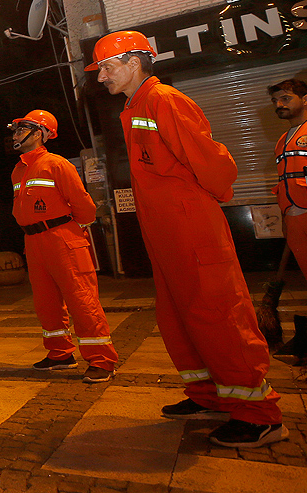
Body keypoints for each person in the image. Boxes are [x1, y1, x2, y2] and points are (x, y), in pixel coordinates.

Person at [91, 30, 285, 447]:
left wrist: (205, 201)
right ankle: (208, 394)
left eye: (107, 67)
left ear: (135, 62)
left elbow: (210, 161)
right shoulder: (135, 106)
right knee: (179, 315)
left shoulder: (163, 100)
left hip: (189, 224)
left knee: (218, 311)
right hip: (165, 230)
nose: (101, 76)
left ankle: (260, 415)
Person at [8, 110, 118, 383]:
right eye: (16, 129)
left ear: (42, 133)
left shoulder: (56, 164)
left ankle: (102, 360)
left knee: (81, 300)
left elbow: (85, 208)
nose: (16, 133)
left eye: (24, 128)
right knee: (46, 303)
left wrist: (68, 230)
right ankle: (60, 354)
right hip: (33, 241)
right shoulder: (18, 170)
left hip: (62, 238)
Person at [268, 79, 307, 296]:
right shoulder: (282, 140)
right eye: (275, 100)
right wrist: (286, 220)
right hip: (296, 219)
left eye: (285, 98)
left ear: (306, 99)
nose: (279, 104)